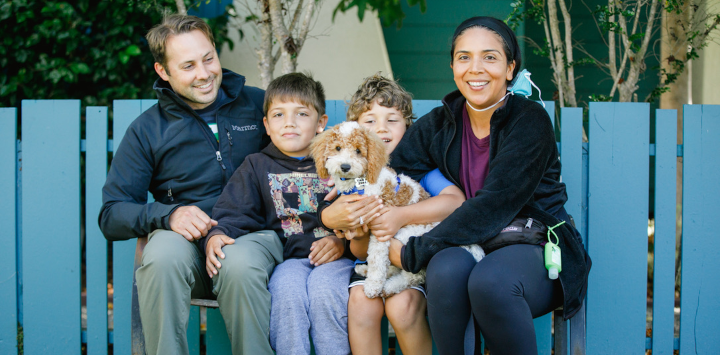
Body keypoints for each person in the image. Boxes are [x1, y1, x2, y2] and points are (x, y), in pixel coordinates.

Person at [382, 16, 592, 355]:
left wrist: (413, 251)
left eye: (489, 57)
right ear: (453, 66)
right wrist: (345, 202)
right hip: (464, 244)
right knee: (446, 269)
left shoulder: (529, 121)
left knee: (490, 281)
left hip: (533, 244)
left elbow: (494, 204)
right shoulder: (438, 124)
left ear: (510, 69)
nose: (475, 68)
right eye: (464, 57)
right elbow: (386, 176)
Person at [98, 14, 271, 355]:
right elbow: (112, 214)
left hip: (250, 238)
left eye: (209, 59)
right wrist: (169, 215)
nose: (205, 74)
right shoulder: (148, 130)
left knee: (235, 262)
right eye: (188, 65)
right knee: (160, 254)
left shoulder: (259, 106)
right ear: (163, 71)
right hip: (187, 247)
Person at [201, 72, 354, 355]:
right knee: (286, 291)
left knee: (324, 292)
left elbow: (361, 208)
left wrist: (342, 242)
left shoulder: (339, 163)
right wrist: (218, 233)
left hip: (338, 260)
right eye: (279, 115)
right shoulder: (257, 165)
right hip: (289, 260)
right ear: (267, 126)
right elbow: (235, 211)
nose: (290, 123)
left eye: (301, 114)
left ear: (321, 123)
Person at [317, 74, 466, 355]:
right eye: (370, 121)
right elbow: (359, 249)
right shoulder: (354, 179)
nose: (381, 129)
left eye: (392, 120)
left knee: (402, 306)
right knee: (361, 303)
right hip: (374, 263)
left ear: (408, 125)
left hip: (413, 264)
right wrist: (358, 231)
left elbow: (456, 202)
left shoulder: (419, 167)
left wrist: (400, 215)